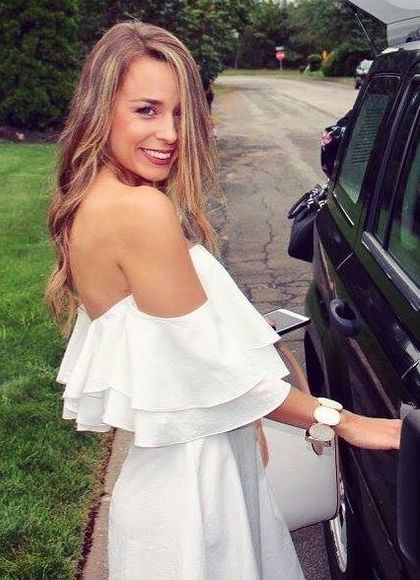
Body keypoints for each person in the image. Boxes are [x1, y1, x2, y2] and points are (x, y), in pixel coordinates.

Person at [45, 21, 401, 580]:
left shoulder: (93, 201)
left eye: (180, 112)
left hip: (182, 481)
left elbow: (169, 349)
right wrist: (345, 421)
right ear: (100, 109)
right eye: (146, 110)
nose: (170, 133)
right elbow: (207, 369)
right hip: (196, 500)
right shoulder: (140, 211)